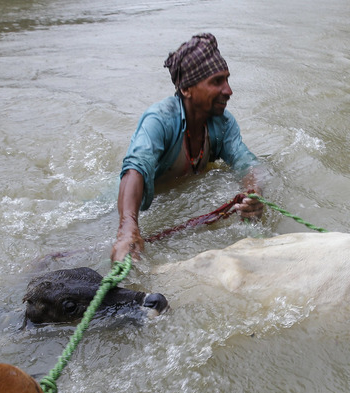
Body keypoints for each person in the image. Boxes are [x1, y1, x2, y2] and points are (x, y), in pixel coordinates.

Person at [111, 33, 264, 262]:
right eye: (216, 82)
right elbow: (135, 169)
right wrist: (127, 229)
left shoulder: (223, 124)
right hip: (121, 204)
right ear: (186, 89)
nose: (229, 90)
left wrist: (254, 194)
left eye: (227, 80)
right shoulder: (159, 120)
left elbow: (246, 163)